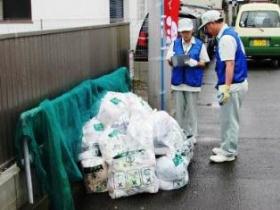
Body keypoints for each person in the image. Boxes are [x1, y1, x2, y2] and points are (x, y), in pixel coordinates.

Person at [199, 10, 248, 163]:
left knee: (230, 120)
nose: (206, 31)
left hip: (232, 85)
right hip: (236, 84)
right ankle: (225, 146)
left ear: (213, 23)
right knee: (227, 119)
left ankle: (229, 152)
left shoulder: (226, 38)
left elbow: (230, 65)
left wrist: (226, 88)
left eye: (206, 27)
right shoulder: (230, 33)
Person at [166, 18, 210, 144]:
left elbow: (204, 62)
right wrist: (175, 60)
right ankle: (180, 133)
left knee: (192, 110)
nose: (185, 34)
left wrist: (194, 63)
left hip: (192, 83)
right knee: (179, 111)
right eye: (183, 32)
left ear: (192, 31)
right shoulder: (175, 44)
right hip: (178, 82)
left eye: (187, 32)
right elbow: (169, 60)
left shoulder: (199, 45)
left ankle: (193, 134)